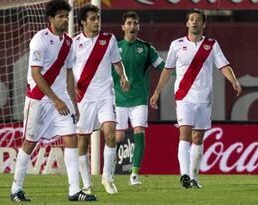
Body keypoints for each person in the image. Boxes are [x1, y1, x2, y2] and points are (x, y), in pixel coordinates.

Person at [10, 0, 96, 202]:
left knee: (71, 139)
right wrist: (56, 100)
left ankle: (74, 191)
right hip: (39, 100)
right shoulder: (39, 39)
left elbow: (68, 74)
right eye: (61, 16)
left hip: (62, 102)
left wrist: (74, 105)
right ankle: (16, 189)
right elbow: (36, 74)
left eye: (67, 16)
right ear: (51, 19)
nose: (65, 20)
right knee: (29, 143)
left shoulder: (69, 42)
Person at [150, 9, 242, 189]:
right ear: (186, 24)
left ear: (203, 24)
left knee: (198, 137)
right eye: (191, 19)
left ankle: (193, 177)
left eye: (198, 20)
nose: (194, 22)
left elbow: (223, 65)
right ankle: (184, 174)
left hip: (204, 98)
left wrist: (234, 81)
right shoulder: (176, 45)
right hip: (184, 97)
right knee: (184, 133)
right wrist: (157, 92)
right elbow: (167, 70)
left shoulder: (211, 45)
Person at [72, 4, 129, 194]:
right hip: (84, 97)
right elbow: (67, 70)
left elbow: (117, 62)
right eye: (92, 19)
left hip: (106, 95)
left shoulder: (109, 39)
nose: (97, 22)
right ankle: (87, 184)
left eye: (98, 18)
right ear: (83, 22)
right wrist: (70, 86)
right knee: (83, 141)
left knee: (111, 134)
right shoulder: (74, 43)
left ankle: (107, 178)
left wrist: (123, 76)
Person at [113, 11, 165, 185]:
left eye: (135, 23)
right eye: (128, 23)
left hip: (139, 100)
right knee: (117, 138)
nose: (132, 26)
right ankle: (109, 171)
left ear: (138, 27)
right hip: (118, 100)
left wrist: (182, 69)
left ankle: (134, 175)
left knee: (139, 133)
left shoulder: (147, 48)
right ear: (123, 27)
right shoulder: (114, 48)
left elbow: (164, 67)